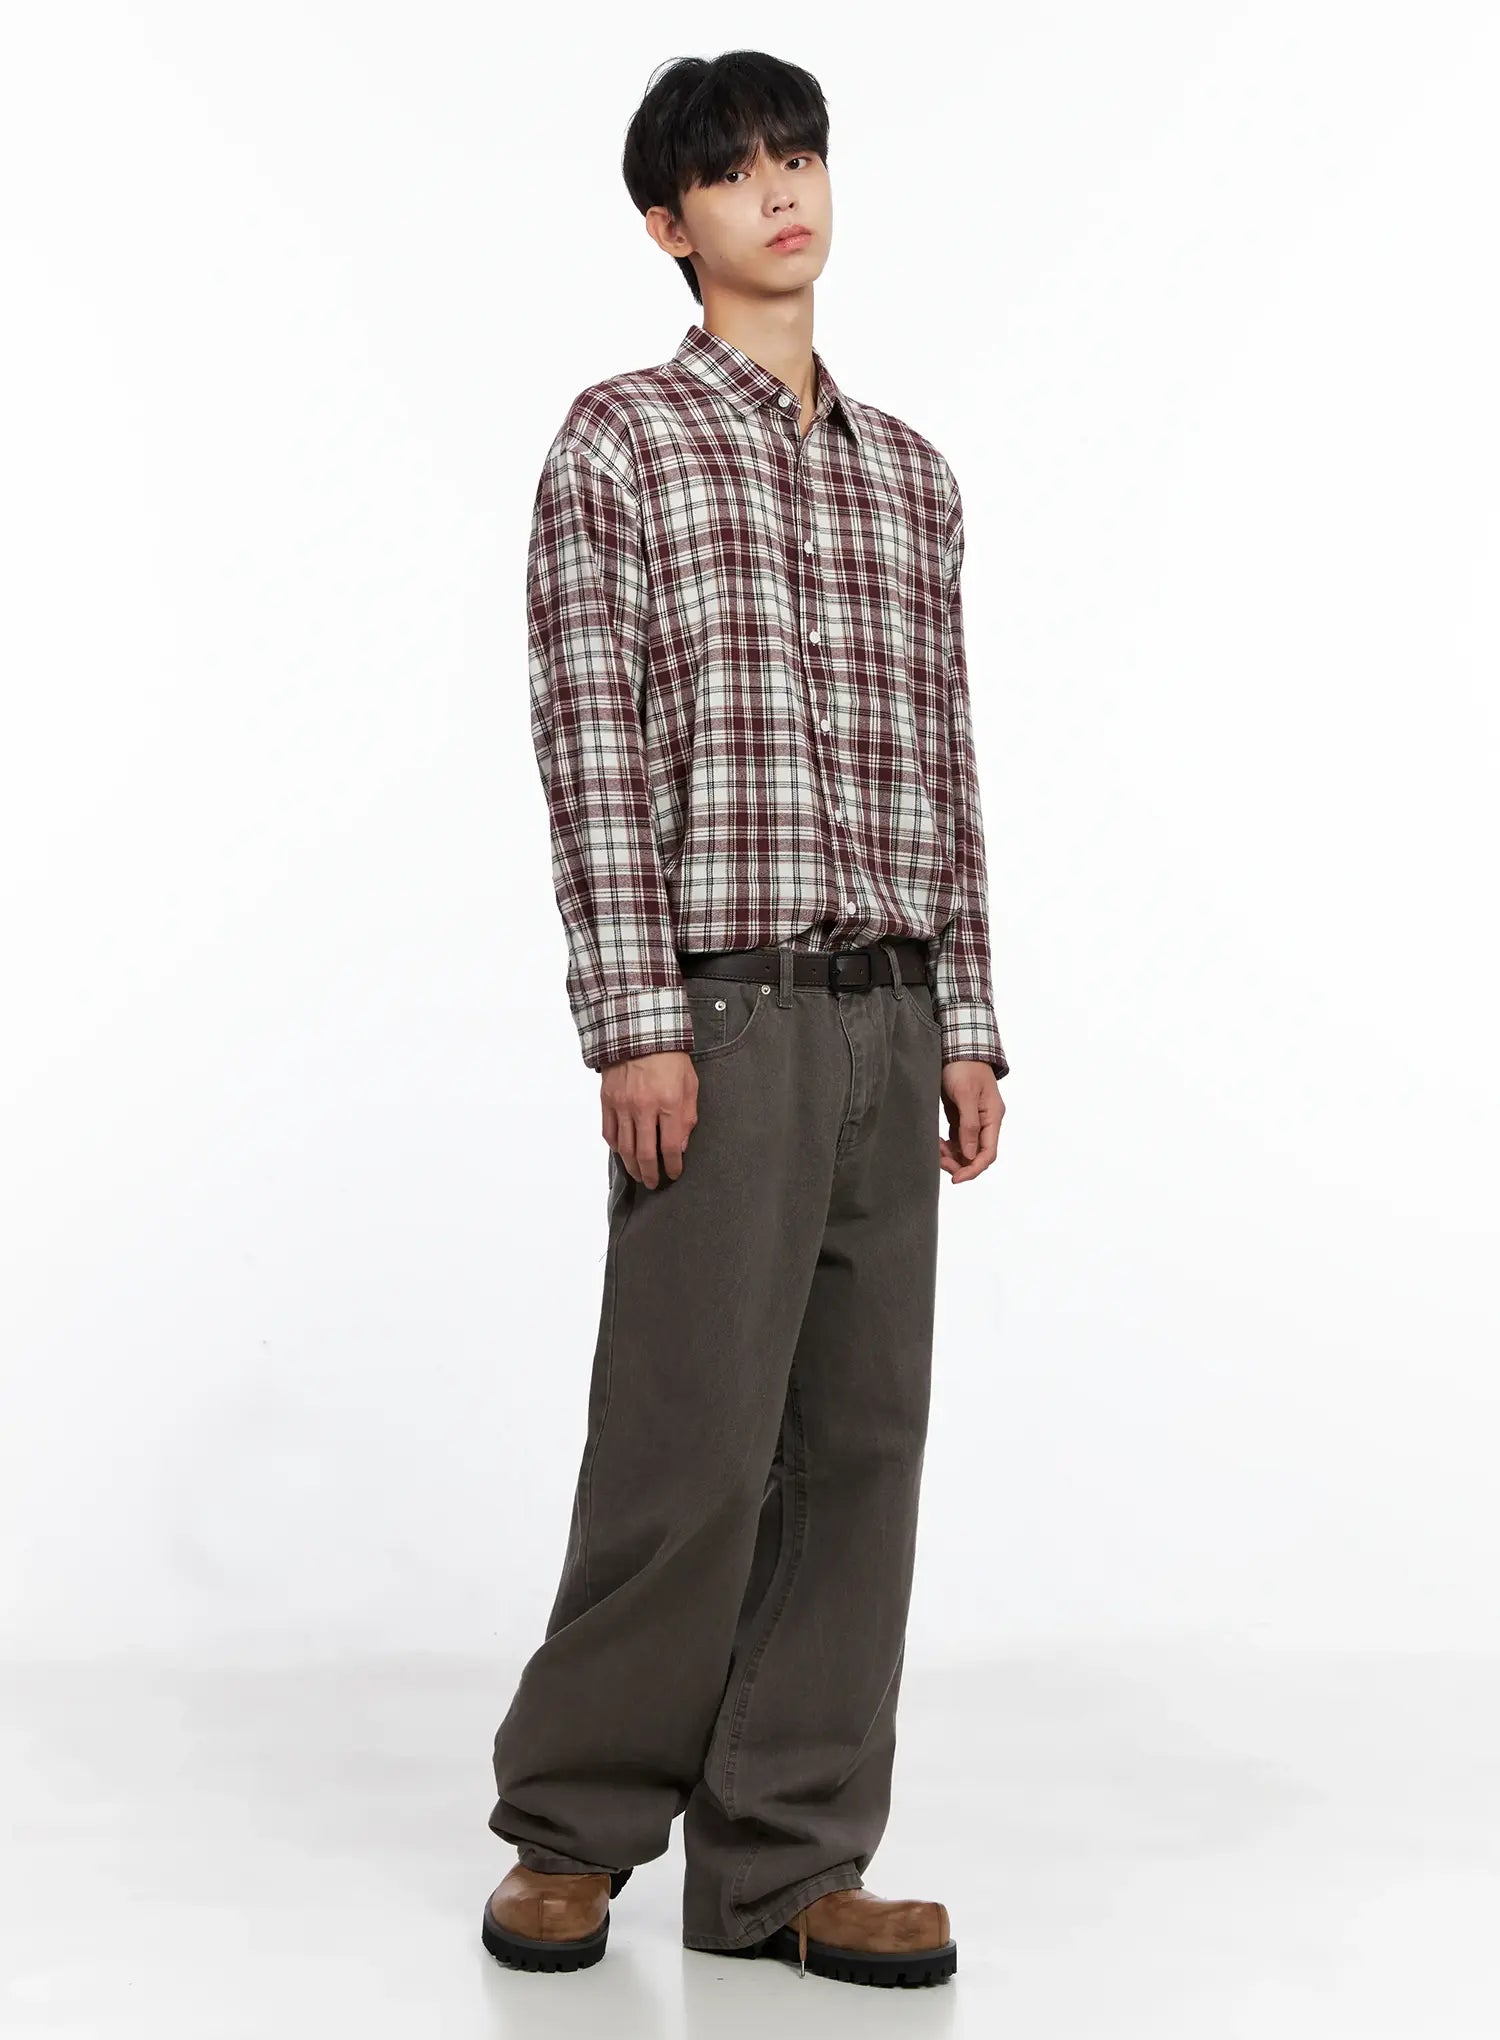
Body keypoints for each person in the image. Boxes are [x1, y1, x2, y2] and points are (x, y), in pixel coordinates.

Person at [482, 48, 1008, 1990]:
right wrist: (634, 1018)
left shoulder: (912, 476)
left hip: (891, 1015)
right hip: (724, 1019)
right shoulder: (619, 444)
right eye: (736, 172)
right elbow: (590, 752)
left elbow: (947, 762)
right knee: (687, 1448)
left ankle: (788, 1861)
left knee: (860, 1449)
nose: (783, 192)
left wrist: (970, 1015)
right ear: (668, 223)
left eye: (802, 157)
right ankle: (571, 1832)